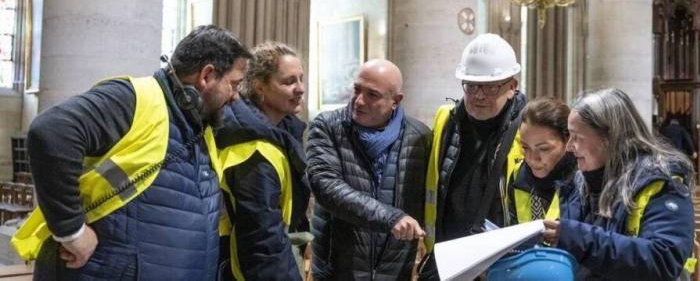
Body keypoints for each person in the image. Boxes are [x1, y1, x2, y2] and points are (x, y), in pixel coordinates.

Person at [12, 25, 251, 281]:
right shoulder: (137, 98)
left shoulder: (197, 127)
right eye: (234, 84)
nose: (236, 96)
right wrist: (72, 232)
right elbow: (50, 132)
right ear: (207, 76)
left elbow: (129, 185)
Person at [543, 88, 696, 281]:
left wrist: (578, 237)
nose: (569, 146)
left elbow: (662, 260)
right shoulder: (575, 184)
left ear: (609, 138)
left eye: (577, 137)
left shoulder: (661, 183)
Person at [306, 59, 432, 280]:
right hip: (337, 271)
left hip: (393, 271)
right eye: (357, 89)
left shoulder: (419, 137)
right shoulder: (328, 127)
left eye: (372, 95)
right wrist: (390, 218)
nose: (359, 101)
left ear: (396, 101)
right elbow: (327, 187)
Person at [420, 33, 527, 280]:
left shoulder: (528, 128)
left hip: (501, 262)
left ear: (512, 87)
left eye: (490, 87)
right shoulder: (445, 119)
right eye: (470, 85)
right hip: (446, 258)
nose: (479, 95)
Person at [216, 42, 310, 281]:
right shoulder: (253, 146)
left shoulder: (281, 131)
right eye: (289, 82)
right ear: (260, 88)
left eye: (301, 79)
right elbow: (262, 239)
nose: (300, 88)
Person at [507, 97, 576, 224]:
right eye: (525, 147)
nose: (532, 158)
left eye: (543, 149)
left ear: (567, 140)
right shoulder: (518, 176)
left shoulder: (583, 184)